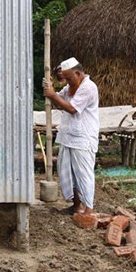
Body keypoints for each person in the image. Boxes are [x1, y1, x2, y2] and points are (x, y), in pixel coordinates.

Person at [43, 57, 99, 214]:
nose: (67, 81)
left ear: (78, 73)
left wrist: (53, 95)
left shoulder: (88, 87)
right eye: (65, 78)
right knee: (68, 173)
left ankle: (88, 210)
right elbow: (57, 101)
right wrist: (51, 91)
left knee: (84, 174)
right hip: (68, 136)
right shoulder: (70, 88)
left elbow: (72, 108)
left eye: (69, 77)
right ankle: (77, 206)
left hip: (83, 138)